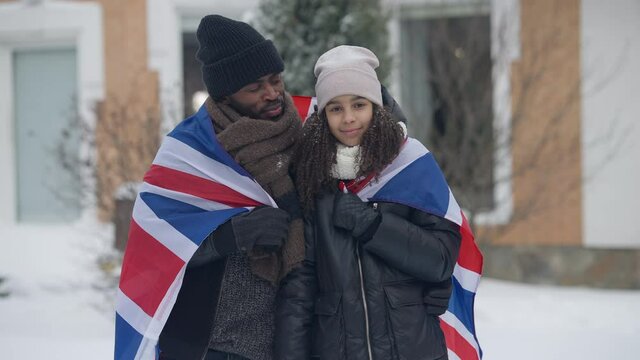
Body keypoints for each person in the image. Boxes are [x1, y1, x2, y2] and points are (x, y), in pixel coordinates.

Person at [115, 15, 304, 360]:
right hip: (207, 346)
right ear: (226, 95)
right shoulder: (189, 152)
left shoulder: (306, 136)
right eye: (255, 87)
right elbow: (153, 253)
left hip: (291, 342)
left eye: (275, 79)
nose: (272, 93)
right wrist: (227, 237)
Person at [274, 45, 463, 360]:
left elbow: (441, 259)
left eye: (358, 104)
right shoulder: (311, 177)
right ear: (323, 115)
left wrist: (373, 225)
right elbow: (300, 284)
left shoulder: (410, 164)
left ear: (375, 106)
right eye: (335, 108)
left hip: (411, 348)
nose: (348, 119)